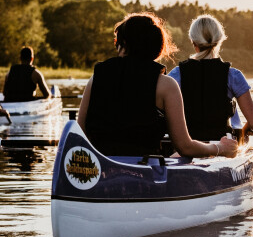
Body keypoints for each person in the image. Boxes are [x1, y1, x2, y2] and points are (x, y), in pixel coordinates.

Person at [77, 12, 238, 158]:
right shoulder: (166, 85)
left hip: (99, 169)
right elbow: (185, 147)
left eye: (116, 41)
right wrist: (219, 148)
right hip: (144, 172)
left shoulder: (96, 78)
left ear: (123, 44)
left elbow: (80, 135)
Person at [168, 14, 253, 143]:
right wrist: (244, 132)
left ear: (193, 42)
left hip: (187, 146)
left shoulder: (176, 74)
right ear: (219, 41)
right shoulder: (233, 75)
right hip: (221, 146)